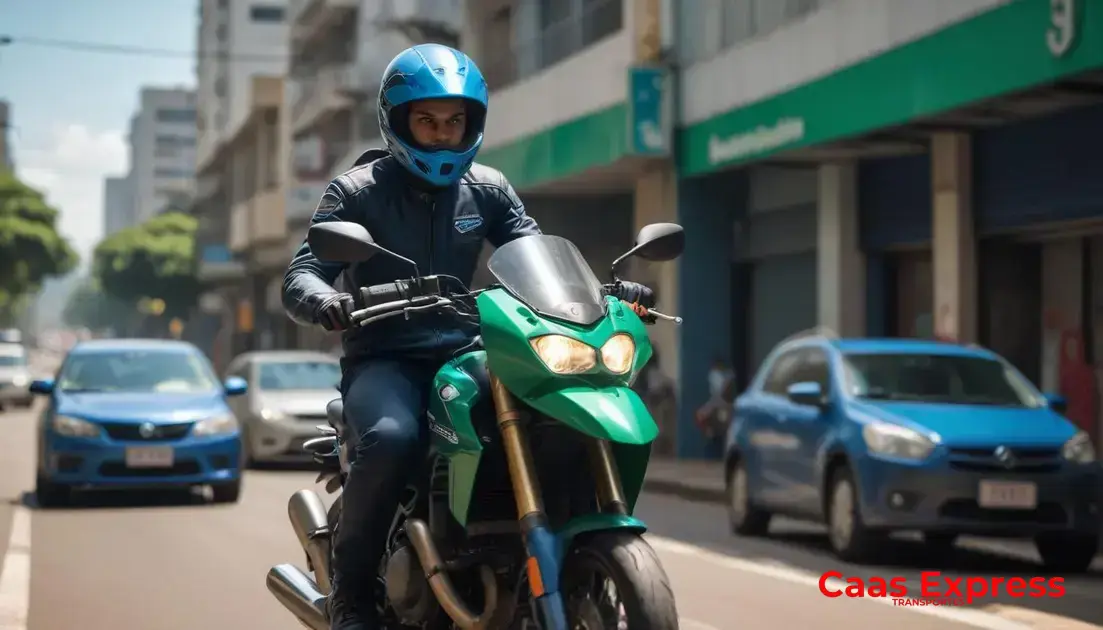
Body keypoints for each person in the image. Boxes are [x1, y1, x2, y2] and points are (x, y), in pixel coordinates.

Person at [281, 43, 656, 630]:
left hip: (473, 351)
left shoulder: (489, 188)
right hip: (388, 359)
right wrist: (326, 300)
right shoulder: (356, 191)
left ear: (473, 121)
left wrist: (601, 294)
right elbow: (303, 271)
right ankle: (353, 596)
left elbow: (533, 251)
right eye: (426, 121)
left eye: (454, 121)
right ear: (398, 119)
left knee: (552, 415)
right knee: (392, 437)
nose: (441, 135)